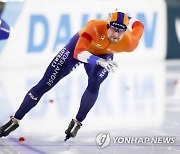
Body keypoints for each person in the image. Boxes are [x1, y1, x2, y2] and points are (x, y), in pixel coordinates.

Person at [0, 11, 144, 140]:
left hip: (104, 55)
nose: (116, 34)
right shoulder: (94, 26)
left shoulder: (130, 43)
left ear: (126, 31)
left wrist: (129, 18)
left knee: (95, 81)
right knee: (45, 84)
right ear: (107, 26)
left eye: (121, 30)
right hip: (78, 48)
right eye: (113, 28)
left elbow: (139, 25)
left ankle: (77, 122)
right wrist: (98, 60)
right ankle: (15, 120)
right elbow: (78, 53)